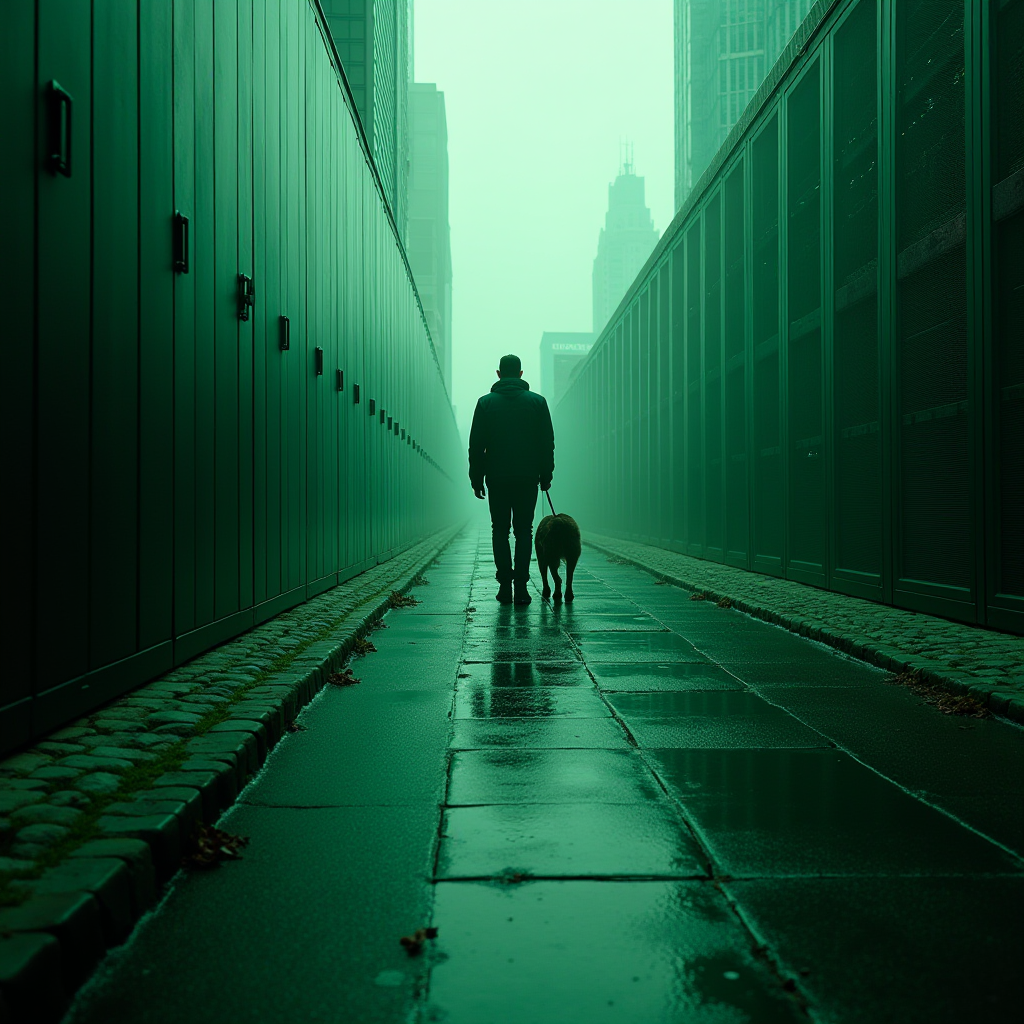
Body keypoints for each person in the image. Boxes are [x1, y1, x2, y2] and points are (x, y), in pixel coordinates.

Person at [468, 354, 555, 605]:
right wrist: (545, 475)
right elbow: (546, 444)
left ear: (498, 374)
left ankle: (505, 586)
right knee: (524, 532)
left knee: (500, 531)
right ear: (520, 374)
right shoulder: (537, 403)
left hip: (497, 478)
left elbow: (476, 446)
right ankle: (522, 588)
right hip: (527, 478)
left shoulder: (485, 404)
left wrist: (477, 479)